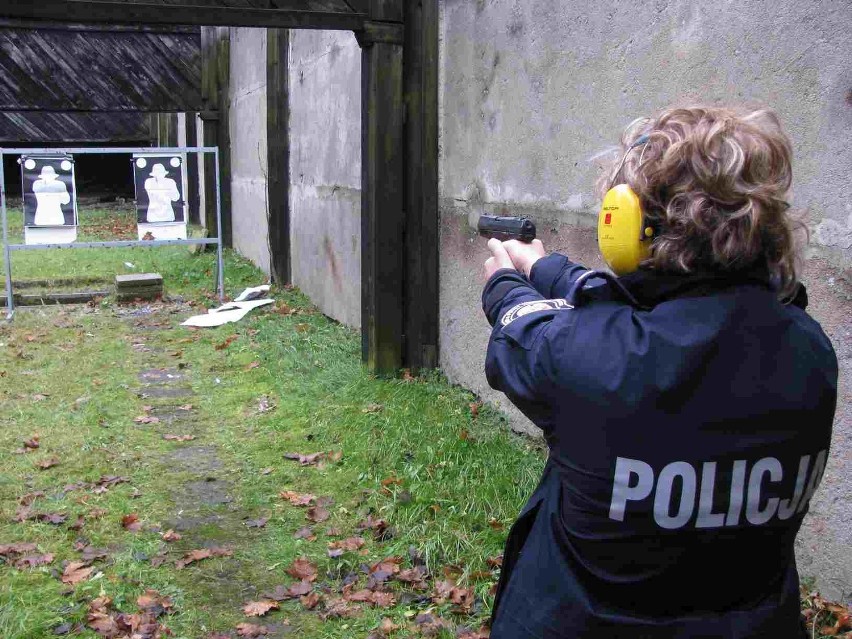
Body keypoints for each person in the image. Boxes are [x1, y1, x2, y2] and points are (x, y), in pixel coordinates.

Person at [482, 106, 838, 638]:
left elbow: (522, 334)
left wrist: (504, 282)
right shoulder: (810, 350)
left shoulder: (588, 358)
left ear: (627, 223)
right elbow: (654, 309)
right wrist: (545, 264)